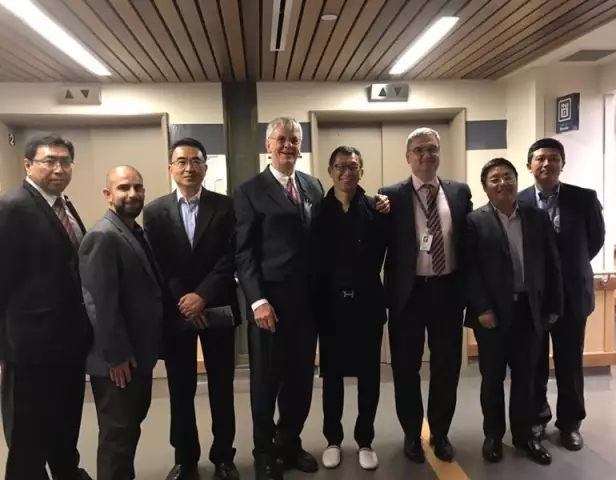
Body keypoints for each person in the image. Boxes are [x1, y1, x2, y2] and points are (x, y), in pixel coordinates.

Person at [234, 116, 389, 480]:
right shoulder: (249, 191)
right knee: (266, 383)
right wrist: (257, 301)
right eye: (281, 139)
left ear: (300, 146)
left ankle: (289, 443)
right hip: (270, 306)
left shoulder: (311, 185)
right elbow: (243, 252)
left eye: (294, 139)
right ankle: (265, 452)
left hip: (308, 304)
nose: (288, 145)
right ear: (268, 145)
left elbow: (336, 218)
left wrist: (376, 201)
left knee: (300, 380)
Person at [144, 138, 240, 480]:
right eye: (181, 161)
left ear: (205, 167)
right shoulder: (154, 211)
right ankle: (185, 459)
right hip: (177, 312)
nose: (189, 168)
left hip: (218, 308)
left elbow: (231, 257)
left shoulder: (226, 207)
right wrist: (185, 300)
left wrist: (202, 295)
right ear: (171, 167)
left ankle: (224, 457)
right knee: (180, 389)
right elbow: (159, 263)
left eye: (196, 161)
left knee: (221, 388)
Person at [0, 134, 92, 480]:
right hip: (28, 350)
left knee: (64, 429)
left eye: (65, 161)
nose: (58, 168)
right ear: (28, 165)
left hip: (67, 346)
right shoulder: (11, 208)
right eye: (49, 161)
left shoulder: (64, 205)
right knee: (27, 439)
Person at [378, 127, 472, 463]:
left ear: (439, 153)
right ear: (408, 157)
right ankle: (411, 434)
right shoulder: (390, 196)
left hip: (447, 291)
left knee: (447, 366)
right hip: (408, 294)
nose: (425, 155)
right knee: (406, 368)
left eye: (431, 148)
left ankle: (441, 433)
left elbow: (469, 242)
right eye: (418, 150)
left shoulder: (459, 192)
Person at [465, 158, 563, 465]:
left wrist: (554, 305)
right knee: (492, 379)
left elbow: (552, 263)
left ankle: (525, 436)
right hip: (492, 315)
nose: (502, 183)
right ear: (485, 187)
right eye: (494, 179)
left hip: (529, 312)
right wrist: (482, 307)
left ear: (517, 180)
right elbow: (469, 270)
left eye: (507, 177)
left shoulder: (536, 217)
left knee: (527, 379)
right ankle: (493, 436)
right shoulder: (474, 221)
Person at [518, 138, 605, 450]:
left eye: (554, 158)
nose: (546, 164)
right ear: (529, 165)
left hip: (572, 295)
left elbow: (594, 240)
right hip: (534, 298)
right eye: (540, 158)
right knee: (534, 363)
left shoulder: (583, 199)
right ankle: (537, 417)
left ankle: (570, 424)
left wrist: (567, 269)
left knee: (570, 363)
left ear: (562, 164)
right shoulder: (518, 200)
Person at [79, 166, 164, 480]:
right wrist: (116, 356)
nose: (132, 194)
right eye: (123, 188)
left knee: (128, 432)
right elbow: (100, 304)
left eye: (137, 188)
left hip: (137, 356)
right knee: (117, 438)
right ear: (108, 194)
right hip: (117, 362)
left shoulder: (134, 231)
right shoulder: (102, 236)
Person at [315, 146, 388, 471]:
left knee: (369, 376)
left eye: (353, 167)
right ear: (330, 171)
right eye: (340, 166)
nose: (347, 172)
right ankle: (333, 439)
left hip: (368, 304)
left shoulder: (377, 208)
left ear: (362, 171)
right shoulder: (317, 211)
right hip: (330, 306)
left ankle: (365, 441)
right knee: (331, 376)